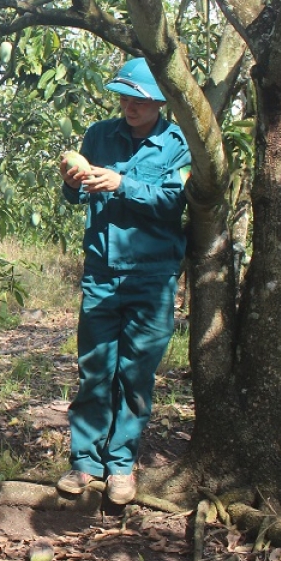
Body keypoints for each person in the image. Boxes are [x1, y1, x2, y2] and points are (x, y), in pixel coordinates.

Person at [56, 57, 190, 505]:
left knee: (135, 375)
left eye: (140, 99)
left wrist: (121, 183)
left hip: (152, 277)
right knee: (95, 369)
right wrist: (70, 179)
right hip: (101, 272)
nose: (129, 106)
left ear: (159, 101)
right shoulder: (99, 135)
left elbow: (174, 201)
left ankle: (121, 465)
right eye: (124, 96)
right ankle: (85, 462)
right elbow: (76, 193)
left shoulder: (177, 143)